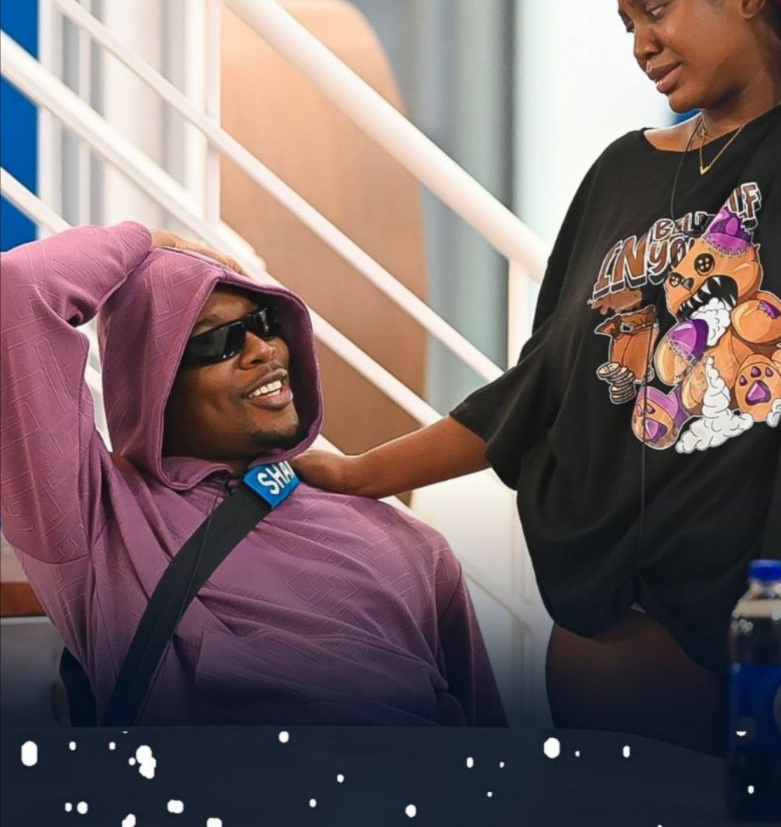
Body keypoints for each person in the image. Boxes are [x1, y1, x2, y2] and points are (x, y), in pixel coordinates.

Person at [296, 0, 781, 798]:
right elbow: (537, 390)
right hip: (630, 626)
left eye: (657, 5)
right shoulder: (622, 172)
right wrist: (356, 475)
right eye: (626, 19)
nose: (639, 41)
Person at [0, 223, 506, 728]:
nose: (263, 349)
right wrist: (154, 240)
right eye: (219, 340)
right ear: (153, 379)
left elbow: (492, 762)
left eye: (265, 323)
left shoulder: (413, 545)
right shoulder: (98, 520)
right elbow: (19, 289)